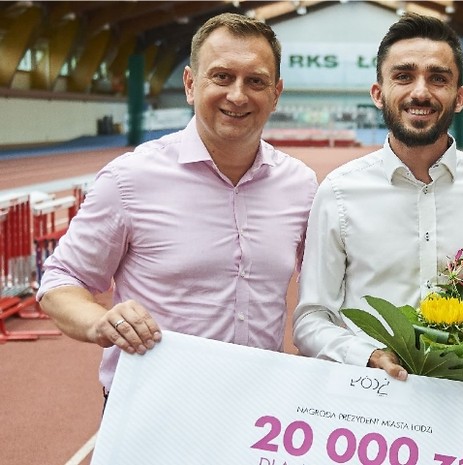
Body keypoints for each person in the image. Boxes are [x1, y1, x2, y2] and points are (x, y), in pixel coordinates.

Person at [36, 13, 318, 397]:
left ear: (276, 93)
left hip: (254, 405)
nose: (238, 95)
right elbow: (61, 281)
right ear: (190, 84)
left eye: (256, 81)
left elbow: (326, 290)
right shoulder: (129, 179)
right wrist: (99, 323)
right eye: (221, 77)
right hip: (151, 403)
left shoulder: (300, 185)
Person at [292, 13, 463, 382]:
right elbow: (311, 319)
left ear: (460, 97)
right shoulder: (338, 193)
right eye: (403, 76)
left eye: (438, 78)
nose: (420, 92)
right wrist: (367, 355)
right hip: (370, 397)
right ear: (378, 93)